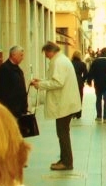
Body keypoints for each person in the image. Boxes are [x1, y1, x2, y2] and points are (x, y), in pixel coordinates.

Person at [31, 42, 82, 171]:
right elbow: (55, 79)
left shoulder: (58, 62)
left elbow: (57, 82)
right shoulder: (61, 59)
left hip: (64, 104)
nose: (46, 57)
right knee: (62, 133)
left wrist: (41, 85)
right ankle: (64, 159)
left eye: (46, 54)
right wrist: (42, 81)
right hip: (66, 103)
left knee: (63, 133)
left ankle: (67, 162)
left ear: (50, 51)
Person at [0, 45, 28, 119]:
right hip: (10, 111)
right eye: (21, 55)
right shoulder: (4, 69)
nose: (22, 58)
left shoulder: (18, 70)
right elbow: (3, 92)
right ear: (13, 55)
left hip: (20, 110)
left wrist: (24, 107)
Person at [89, 48, 106, 122]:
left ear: (101, 53)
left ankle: (99, 116)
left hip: (98, 83)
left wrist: (89, 81)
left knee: (98, 100)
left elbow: (91, 72)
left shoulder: (96, 61)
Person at [70, 51, 87, 120]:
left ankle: (72, 113)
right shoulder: (82, 64)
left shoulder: (70, 63)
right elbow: (86, 74)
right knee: (80, 97)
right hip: (79, 82)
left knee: (71, 97)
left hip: (71, 81)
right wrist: (82, 80)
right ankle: (78, 114)